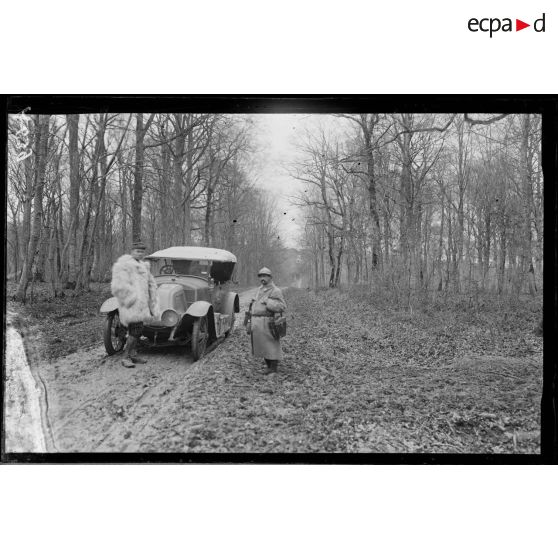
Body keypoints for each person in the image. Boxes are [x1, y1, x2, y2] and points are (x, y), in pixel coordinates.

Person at [111, 240, 159, 368]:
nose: (140, 253)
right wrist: (131, 299)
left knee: (138, 330)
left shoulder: (144, 266)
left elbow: (150, 283)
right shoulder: (124, 265)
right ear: (132, 252)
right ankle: (125, 357)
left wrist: (152, 299)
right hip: (131, 304)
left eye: (142, 251)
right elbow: (118, 285)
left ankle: (132, 354)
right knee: (135, 331)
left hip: (142, 305)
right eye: (138, 251)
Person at [250, 267, 287, 374]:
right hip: (257, 322)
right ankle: (268, 366)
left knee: (271, 344)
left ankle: (273, 367)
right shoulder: (259, 289)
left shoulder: (276, 290)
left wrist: (268, 301)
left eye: (265, 276)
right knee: (262, 345)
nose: (262, 278)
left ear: (270, 277)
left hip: (268, 322)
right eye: (261, 276)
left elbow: (282, 306)